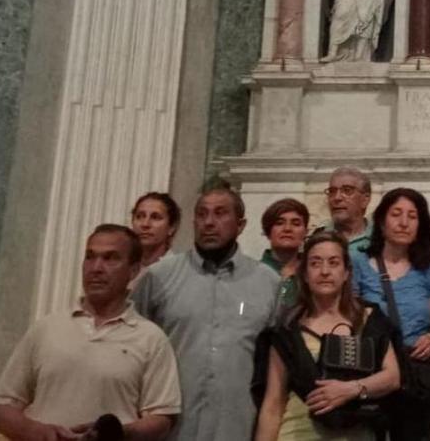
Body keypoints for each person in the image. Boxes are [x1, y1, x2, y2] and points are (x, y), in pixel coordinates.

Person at [0, 224, 180, 441]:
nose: (96, 268)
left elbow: (161, 419)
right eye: (90, 257)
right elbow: (3, 410)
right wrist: (38, 432)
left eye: (110, 258)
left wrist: (117, 434)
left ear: (133, 270)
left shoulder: (151, 339)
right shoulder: (45, 329)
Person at [133, 183, 281, 440]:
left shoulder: (267, 282)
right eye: (202, 214)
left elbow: (276, 365)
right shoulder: (160, 277)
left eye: (220, 213)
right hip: (170, 427)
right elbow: (133, 349)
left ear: (241, 225)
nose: (209, 222)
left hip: (236, 425)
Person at [253, 231, 402, 441]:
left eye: (333, 263)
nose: (324, 271)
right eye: (315, 263)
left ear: (346, 272)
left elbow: (392, 378)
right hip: (298, 433)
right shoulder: (288, 329)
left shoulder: (369, 319)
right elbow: (273, 404)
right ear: (304, 273)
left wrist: (351, 389)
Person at [350, 188, 430, 441]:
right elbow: (348, 319)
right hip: (373, 370)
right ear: (381, 222)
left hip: (416, 376)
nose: (404, 223)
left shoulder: (427, 268)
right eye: (396, 214)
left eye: (412, 216)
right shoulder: (359, 264)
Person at [262, 198, 311, 312]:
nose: (287, 229)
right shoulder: (251, 273)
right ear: (267, 231)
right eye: (279, 223)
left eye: (296, 223)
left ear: (305, 232)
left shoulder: (312, 273)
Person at [318, 166, 374, 257]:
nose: (337, 198)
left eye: (347, 190)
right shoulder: (317, 237)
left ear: (365, 199)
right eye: (332, 191)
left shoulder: (381, 239)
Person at [130, 192, 182, 286]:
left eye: (155, 217)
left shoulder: (178, 272)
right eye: (140, 216)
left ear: (172, 227)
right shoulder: (123, 269)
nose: (145, 224)